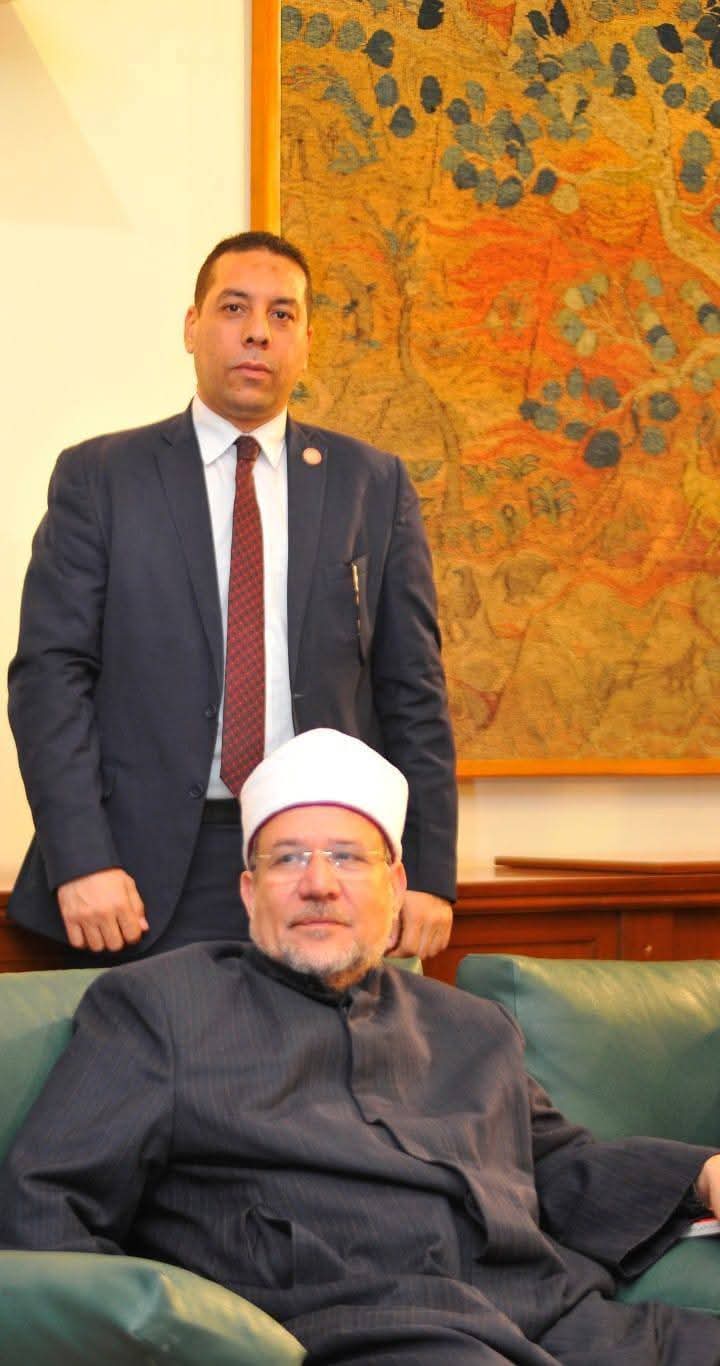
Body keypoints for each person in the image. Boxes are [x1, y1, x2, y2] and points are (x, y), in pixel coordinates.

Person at [1, 728, 720, 1366]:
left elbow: (556, 1165)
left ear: (395, 885)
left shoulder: (473, 1026)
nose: (318, 884)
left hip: (555, 1321)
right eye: (288, 859)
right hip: (354, 1333)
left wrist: (701, 1175)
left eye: (347, 857)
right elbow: (47, 1200)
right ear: (250, 892)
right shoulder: (161, 1009)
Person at [7, 229, 456, 963]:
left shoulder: (371, 486)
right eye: (233, 307)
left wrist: (430, 871)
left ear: (306, 342)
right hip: (135, 878)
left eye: (282, 314)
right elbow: (50, 681)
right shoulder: (102, 478)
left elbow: (414, 690)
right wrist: (82, 859)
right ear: (192, 327)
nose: (257, 332)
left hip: (319, 870)